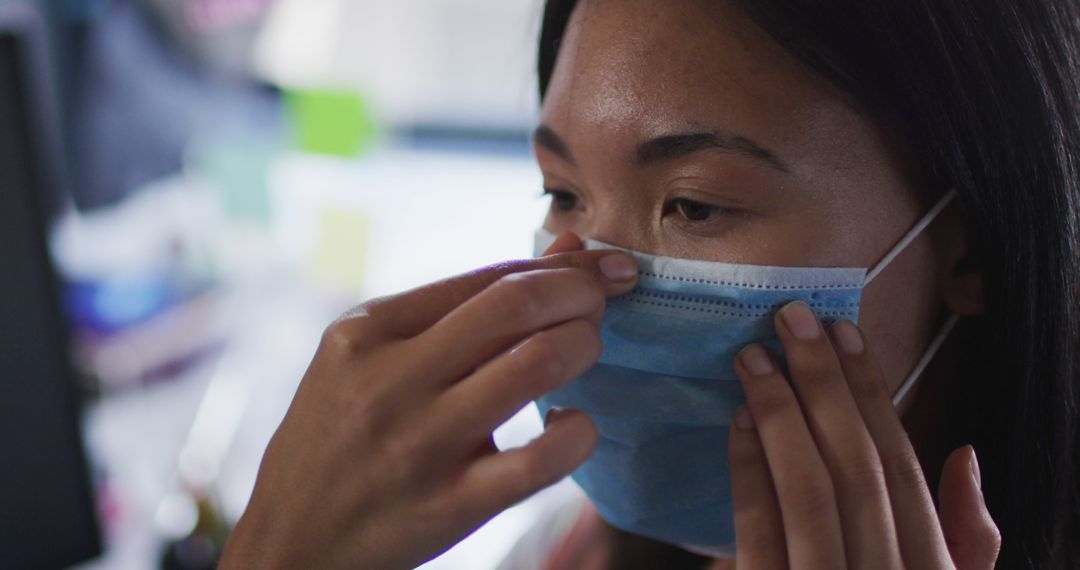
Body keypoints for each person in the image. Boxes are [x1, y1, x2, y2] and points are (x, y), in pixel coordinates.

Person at [218, 0, 1080, 568]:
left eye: (695, 206)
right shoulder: (574, 550)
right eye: (563, 193)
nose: (586, 276)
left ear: (966, 253)